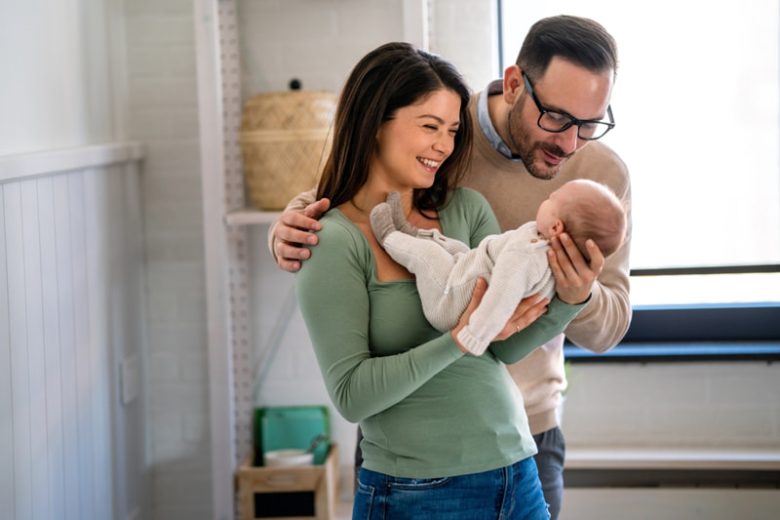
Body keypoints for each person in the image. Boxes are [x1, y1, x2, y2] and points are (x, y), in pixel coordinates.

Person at [270, 16, 631, 520]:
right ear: (514, 85)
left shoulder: (590, 178)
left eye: (589, 124)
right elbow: (349, 195)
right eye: (557, 118)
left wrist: (574, 294)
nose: (572, 143)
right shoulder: (436, 146)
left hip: (522, 446)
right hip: (415, 468)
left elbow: (517, 340)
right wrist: (287, 224)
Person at [369, 179, 627, 356]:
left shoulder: (527, 256)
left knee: (426, 256)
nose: (546, 198)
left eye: (552, 198)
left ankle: (389, 236)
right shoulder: (540, 244)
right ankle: (408, 232)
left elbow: (502, 297)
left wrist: (474, 335)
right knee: (454, 247)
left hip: (451, 303)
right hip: (465, 274)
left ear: (557, 227)